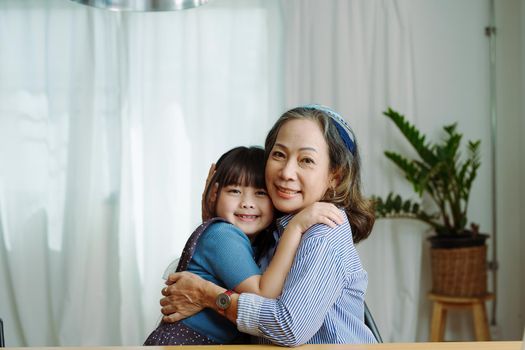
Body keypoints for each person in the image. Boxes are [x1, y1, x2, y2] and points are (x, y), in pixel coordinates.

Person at [159, 105, 377, 346]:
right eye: (279, 154)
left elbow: (288, 328)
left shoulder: (323, 232)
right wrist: (213, 216)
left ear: (334, 176)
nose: (286, 172)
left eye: (306, 160)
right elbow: (236, 265)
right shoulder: (277, 230)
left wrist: (209, 296)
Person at [144, 146, 343, 345]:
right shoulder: (223, 234)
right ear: (214, 193)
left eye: (260, 193)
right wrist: (296, 226)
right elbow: (263, 294)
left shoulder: (248, 240)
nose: (247, 203)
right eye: (234, 191)